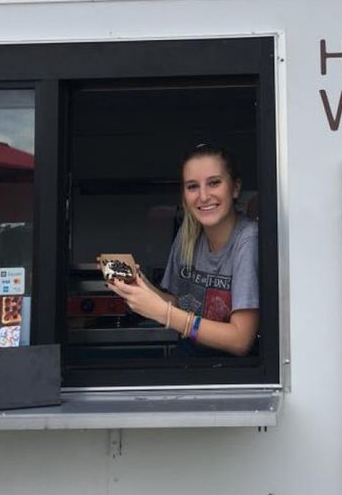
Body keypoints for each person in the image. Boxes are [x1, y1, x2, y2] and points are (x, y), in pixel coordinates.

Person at [106, 144, 259, 357]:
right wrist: (141, 287)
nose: (203, 196)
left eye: (214, 183)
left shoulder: (248, 239)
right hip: (189, 363)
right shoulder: (188, 235)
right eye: (192, 186)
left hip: (233, 376)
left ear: (235, 187)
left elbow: (240, 340)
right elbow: (179, 305)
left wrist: (164, 314)